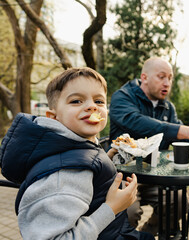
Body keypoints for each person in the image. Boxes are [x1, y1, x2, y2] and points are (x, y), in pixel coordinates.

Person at [0, 67, 154, 240]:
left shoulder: (76, 145)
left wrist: (106, 158)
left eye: (99, 101)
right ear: (53, 117)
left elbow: (81, 164)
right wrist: (111, 208)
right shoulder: (65, 175)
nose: (91, 107)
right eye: (76, 101)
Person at [109, 57, 189, 234]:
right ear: (144, 77)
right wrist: (185, 131)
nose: (167, 83)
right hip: (123, 175)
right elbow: (137, 122)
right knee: (129, 212)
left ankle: (146, 234)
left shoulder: (168, 107)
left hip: (156, 176)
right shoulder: (122, 97)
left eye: (170, 78)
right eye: (162, 77)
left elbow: (182, 138)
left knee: (179, 201)